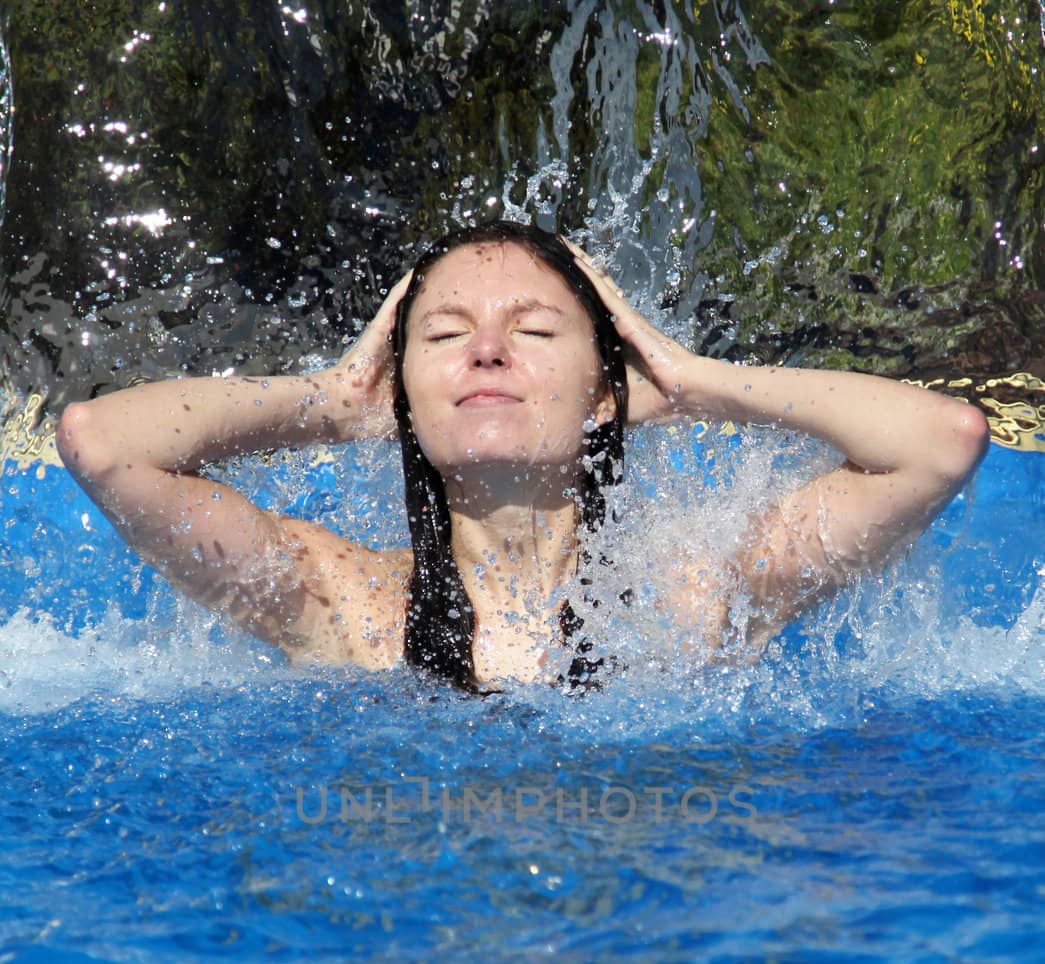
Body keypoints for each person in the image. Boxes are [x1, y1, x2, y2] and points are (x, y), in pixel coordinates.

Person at [56, 220, 989, 694]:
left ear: (601, 391)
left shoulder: (695, 595)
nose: (487, 352)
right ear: (400, 392)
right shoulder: (344, 601)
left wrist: (694, 381)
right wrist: (327, 404)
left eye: (534, 329)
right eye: (445, 336)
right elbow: (102, 445)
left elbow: (939, 446)